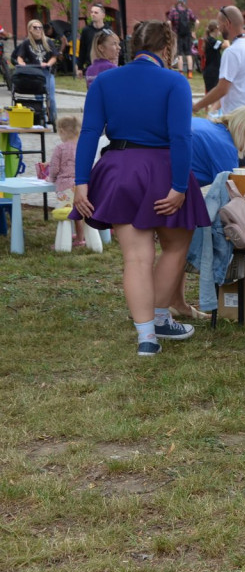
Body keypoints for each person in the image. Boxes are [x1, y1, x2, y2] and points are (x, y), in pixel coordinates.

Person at [71, 20, 210, 357]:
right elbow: (181, 136)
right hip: (163, 169)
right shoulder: (175, 82)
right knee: (176, 245)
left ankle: (147, 338)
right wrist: (179, 185)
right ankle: (160, 316)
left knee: (136, 257)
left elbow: (89, 133)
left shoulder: (103, 80)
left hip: (119, 169)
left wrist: (80, 183)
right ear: (167, 48)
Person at [170, 106, 245, 321]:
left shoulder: (211, 126)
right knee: (176, 249)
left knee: (176, 247)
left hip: (169, 180)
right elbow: (232, 197)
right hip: (173, 187)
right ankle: (159, 305)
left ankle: (176, 302)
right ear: (242, 129)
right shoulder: (224, 146)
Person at [193, 6, 245, 116]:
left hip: (237, 118)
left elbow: (222, 89)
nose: (219, 29)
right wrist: (212, 111)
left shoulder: (232, 52)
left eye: (219, 24)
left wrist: (196, 107)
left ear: (227, 23)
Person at [42, 116, 84, 245]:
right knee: (80, 213)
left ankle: (63, 242)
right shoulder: (82, 146)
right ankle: (80, 238)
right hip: (82, 185)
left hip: (65, 186)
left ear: (62, 131)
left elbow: (54, 168)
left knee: (64, 214)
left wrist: (51, 178)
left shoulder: (60, 148)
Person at [14, 19, 59, 126]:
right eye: (35, 27)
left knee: (50, 97)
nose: (38, 30)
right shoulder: (26, 43)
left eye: (40, 27)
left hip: (47, 72)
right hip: (35, 74)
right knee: (39, 97)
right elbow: (20, 57)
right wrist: (22, 63)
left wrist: (48, 64)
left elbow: (54, 57)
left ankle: (53, 118)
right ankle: (41, 118)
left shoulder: (48, 41)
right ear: (30, 29)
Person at [167, 0, 197, 78]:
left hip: (177, 35)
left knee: (179, 54)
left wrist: (171, 31)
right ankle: (190, 73)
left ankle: (181, 72)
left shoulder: (173, 11)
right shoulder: (188, 11)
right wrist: (194, 31)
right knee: (188, 53)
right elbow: (197, 22)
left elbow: (169, 22)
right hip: (187, 35)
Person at [201, 21, 226, 117]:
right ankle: (211, 114)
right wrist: (225, 37)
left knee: (212, 93)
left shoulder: (211, 40)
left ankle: (211, 112)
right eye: (219, 29)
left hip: (212, 70)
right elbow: (225, 45)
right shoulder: (212, 41)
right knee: (214, 94)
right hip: (212, 71)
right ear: (216, 29)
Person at [77, 4, 106, 75]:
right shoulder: (86, 30)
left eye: (96, 13)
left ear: (103, 15)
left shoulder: (107, 30)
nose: (93, 14)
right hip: (91, 65)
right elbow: (82, 49)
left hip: (105, 64)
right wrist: (80, 67)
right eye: (92, 12)